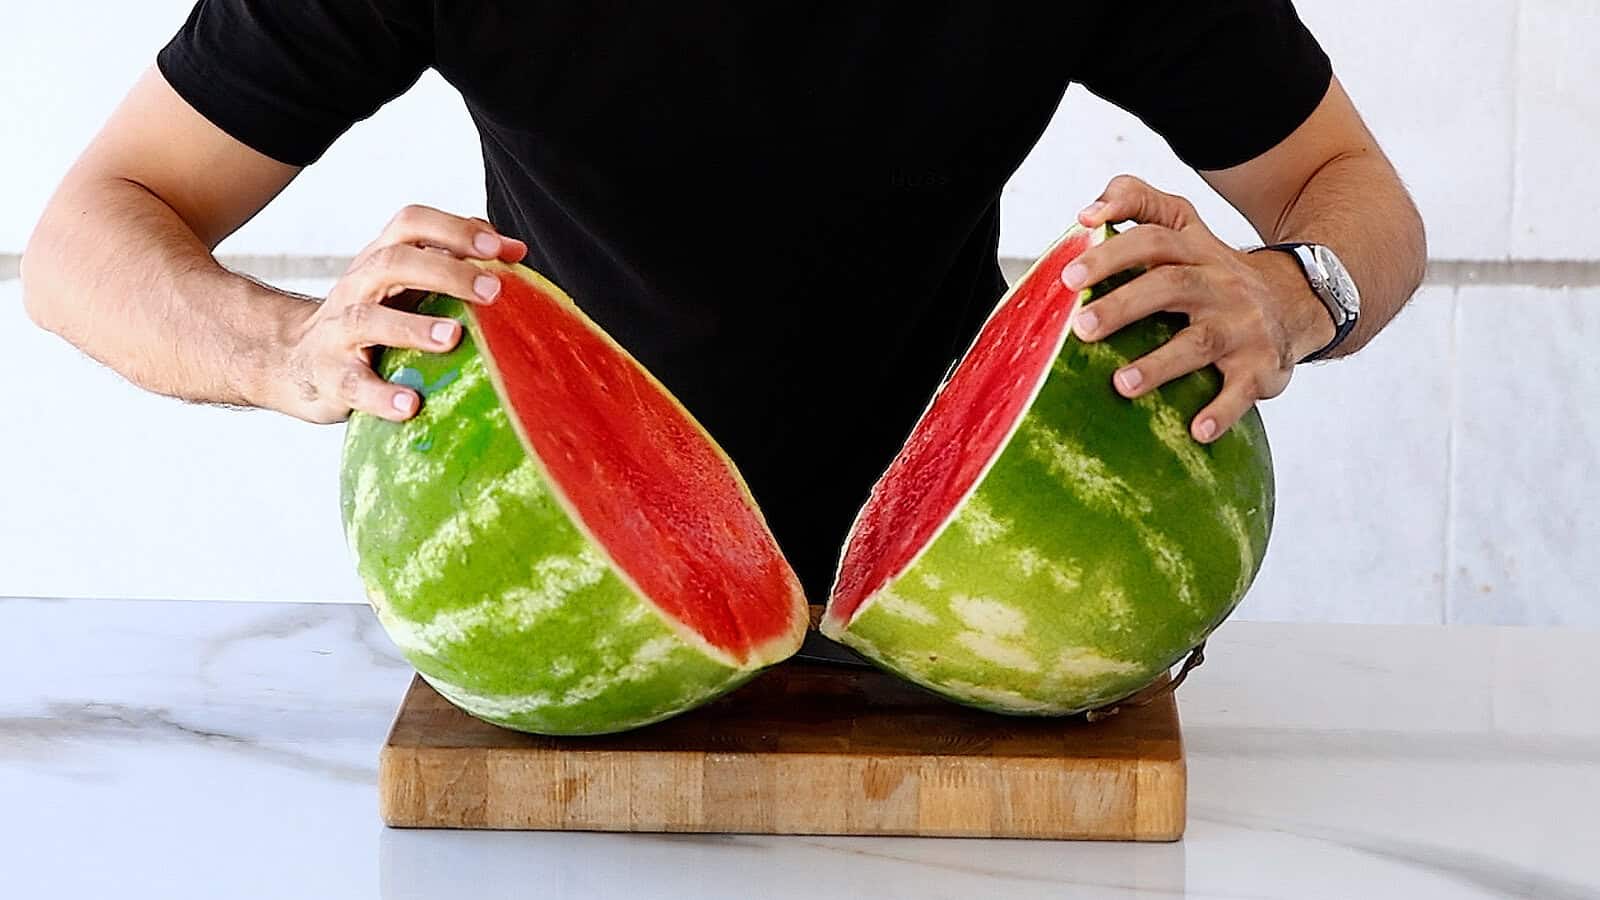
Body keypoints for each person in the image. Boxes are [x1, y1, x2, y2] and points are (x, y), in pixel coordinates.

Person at [21, 3, 1425, 598]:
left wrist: (1291, 291)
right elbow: (89, 234)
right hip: (566, 566)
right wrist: (286, 348)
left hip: (965, 572)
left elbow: (1352, 187)